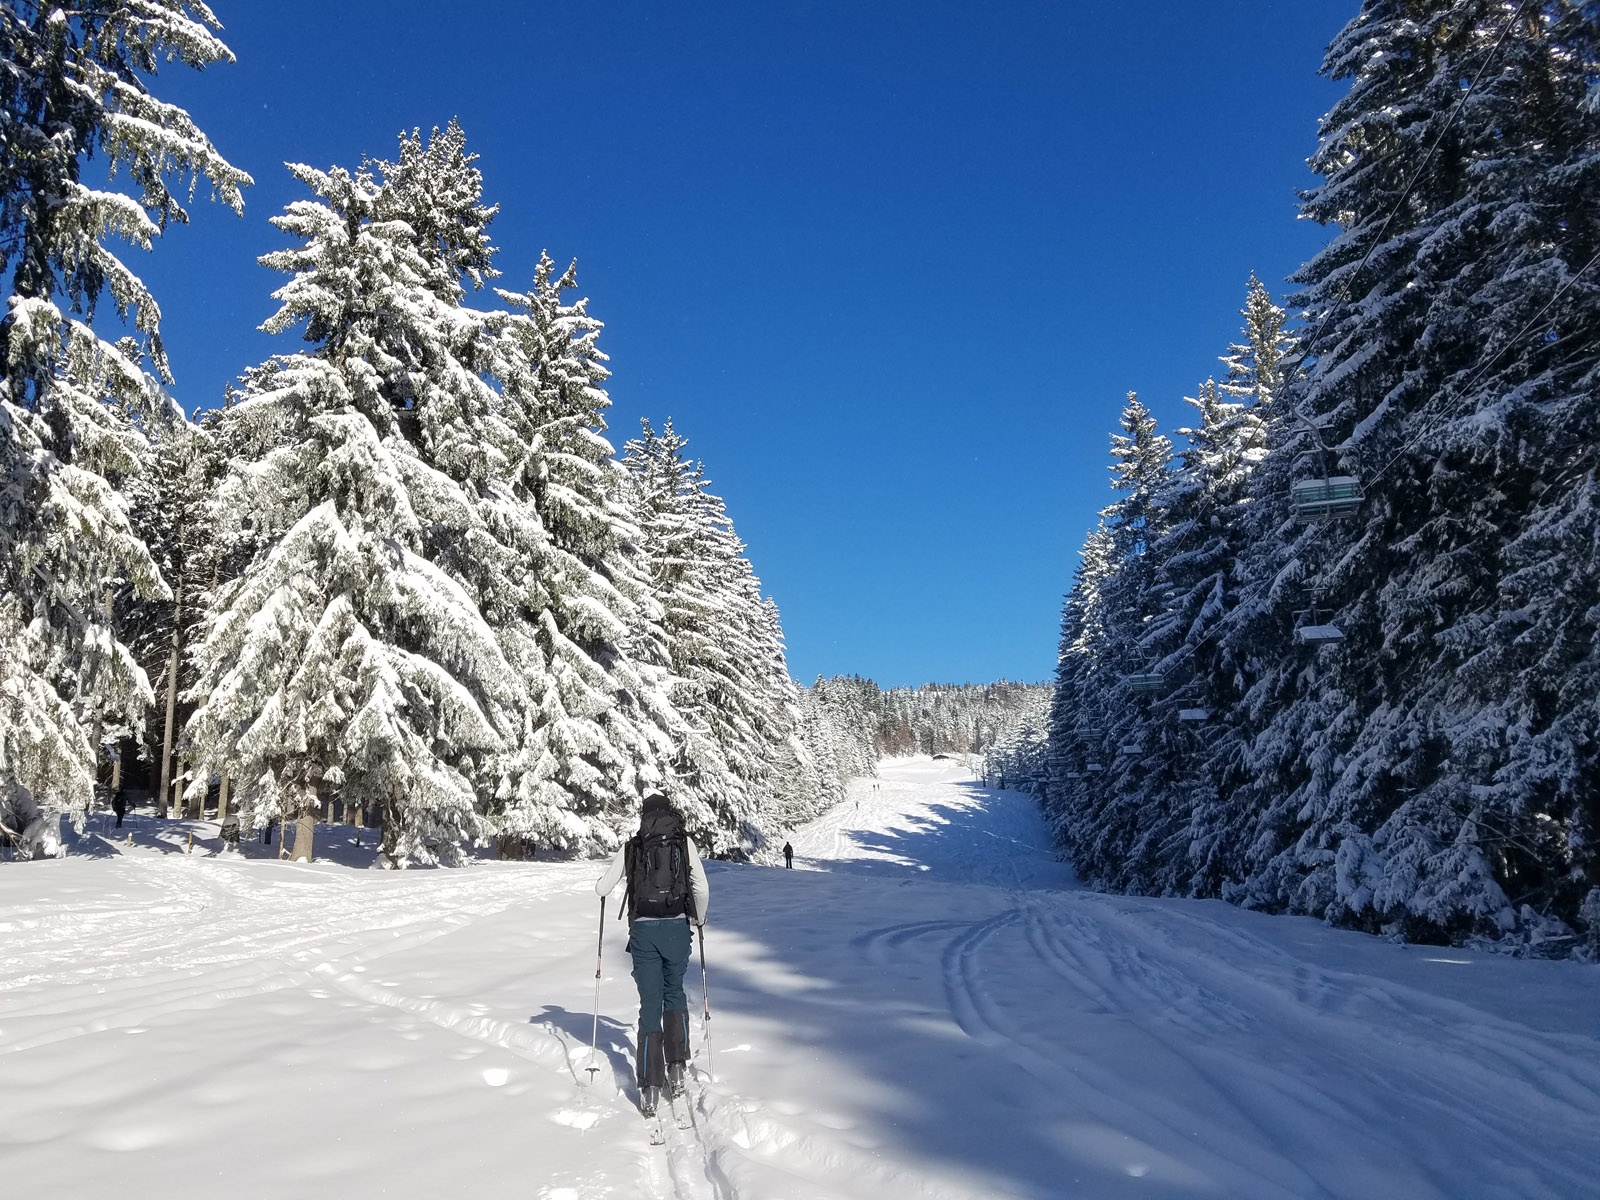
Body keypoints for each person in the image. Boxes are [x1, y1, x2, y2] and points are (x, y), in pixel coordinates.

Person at [596, 789, 708, 1116]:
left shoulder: (633, 846)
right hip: (676, 929)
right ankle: (676, 1067)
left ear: (643, 817)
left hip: (643, 931)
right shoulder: (683, 843)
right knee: (674, 993)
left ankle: (649, 1086)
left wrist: (601, 885)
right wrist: (698, 918)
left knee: (650, 1004)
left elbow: (604, 887)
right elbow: (700, 887)